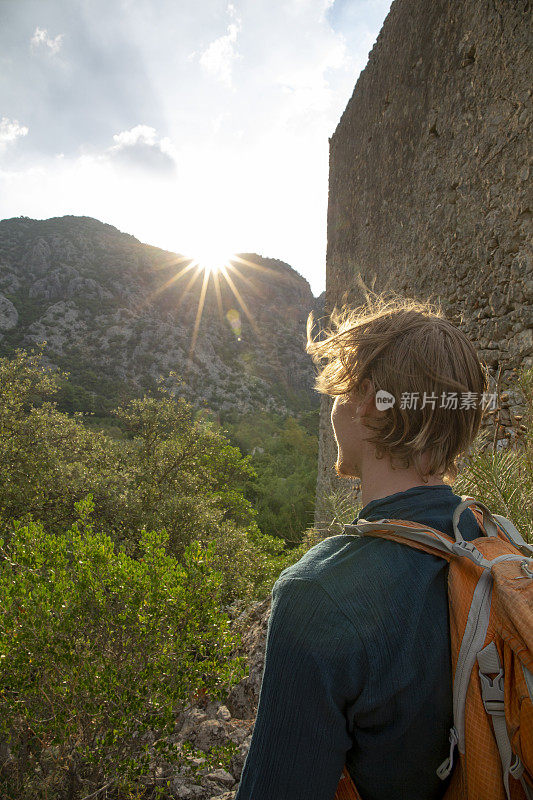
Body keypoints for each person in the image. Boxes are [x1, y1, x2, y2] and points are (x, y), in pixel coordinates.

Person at [234, 295, 492, 800]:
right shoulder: (496, 541)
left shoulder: (319, 595)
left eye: (339, 391)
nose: (331, 407)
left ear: (369, 400)